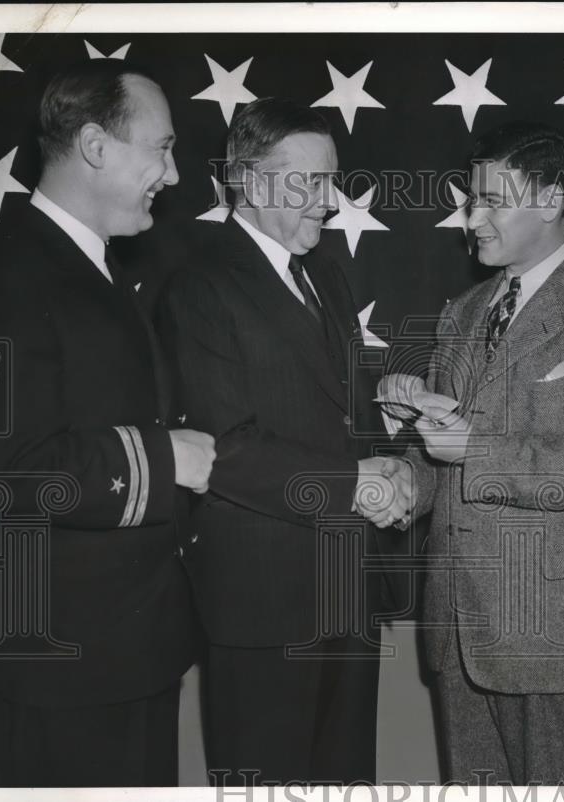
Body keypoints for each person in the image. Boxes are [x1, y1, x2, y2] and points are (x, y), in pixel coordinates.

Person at [0, 60, 215, 787]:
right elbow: (2, 473)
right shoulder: (18, 274)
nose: (170, 174)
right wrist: (162, 461)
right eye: (160, 149)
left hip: (119, 649)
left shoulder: (83, 266)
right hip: (67, 664)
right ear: (98, 147)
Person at [156, 97, 410, 785]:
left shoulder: (324, 273)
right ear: (251, 182)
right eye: (311, 184)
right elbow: (225, 448)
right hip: (263, 606)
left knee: (347, 781)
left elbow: (346, 414)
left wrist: (396, 474)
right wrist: (359, 486)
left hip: (348, 591)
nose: (330, 203)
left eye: (333, 181)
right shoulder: (200, 285)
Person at [401, 121, 564, 784]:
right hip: (459, 628)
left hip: (555, 636)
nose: (472, 217)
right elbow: (443, 454)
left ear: (550, 201)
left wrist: (473, 447)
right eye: (471, 199)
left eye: (491, 200)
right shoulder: (462, 311)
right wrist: (402, 480)